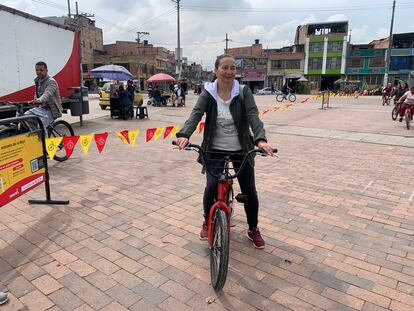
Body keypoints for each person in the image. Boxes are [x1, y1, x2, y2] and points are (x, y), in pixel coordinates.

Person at [176, 54, 274, 249]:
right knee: (211, 186)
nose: (229, 72)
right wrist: (185, 134)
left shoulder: (244, 92)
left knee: (249, 191)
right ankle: (206, 220)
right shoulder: (208, 93)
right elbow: (196, 114)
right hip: (214, 149)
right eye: (225, 68)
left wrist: (261, 140)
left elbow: (253, 116)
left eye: (233, 68)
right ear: (216, 70)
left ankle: (253, 228)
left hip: (241, 149)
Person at [25, 61, 63, 131]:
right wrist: (35, 100)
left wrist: (39, 100)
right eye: (37, 70)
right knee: (25, 117)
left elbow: (47, 94)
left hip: (52, 110)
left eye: (41, 70)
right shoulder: (37, 81)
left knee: (41, 126)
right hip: (41, 108)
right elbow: (36, 94)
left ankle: (44, 141)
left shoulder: (51, 81)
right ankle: (36, 135)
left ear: (46, 71)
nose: (38, 72)